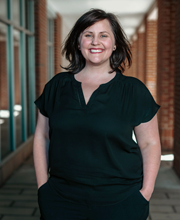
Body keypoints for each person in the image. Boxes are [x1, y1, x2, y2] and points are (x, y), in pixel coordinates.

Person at [33, 8, 161, 220]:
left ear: (115, 44)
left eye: (103, 35)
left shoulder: (133, 91)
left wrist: (144, 194)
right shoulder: (57, 87)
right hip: (61, 199)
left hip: (121, 200)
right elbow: (42, 136)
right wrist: (43, 188)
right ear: (78, 42)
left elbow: (150, 144)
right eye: (88, 35)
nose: (95, 42)